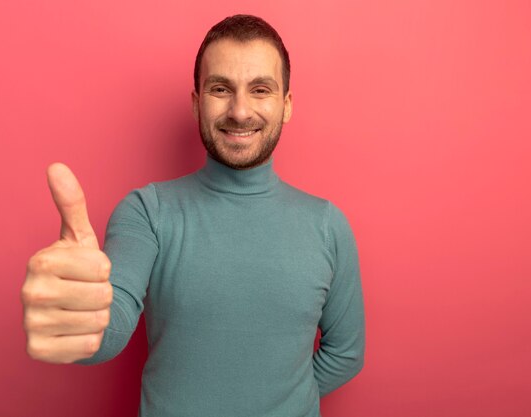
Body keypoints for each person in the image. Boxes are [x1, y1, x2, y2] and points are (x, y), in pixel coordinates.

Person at [21, 14, 365, 417]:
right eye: (221, 88)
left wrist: (283, 401)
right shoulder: (147, 212)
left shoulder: (327, 226)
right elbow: (108, 330)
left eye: (260, 89)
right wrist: (76, 317)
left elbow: (346, 352)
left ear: (285, 105)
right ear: (196, 102)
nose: (240, 111)